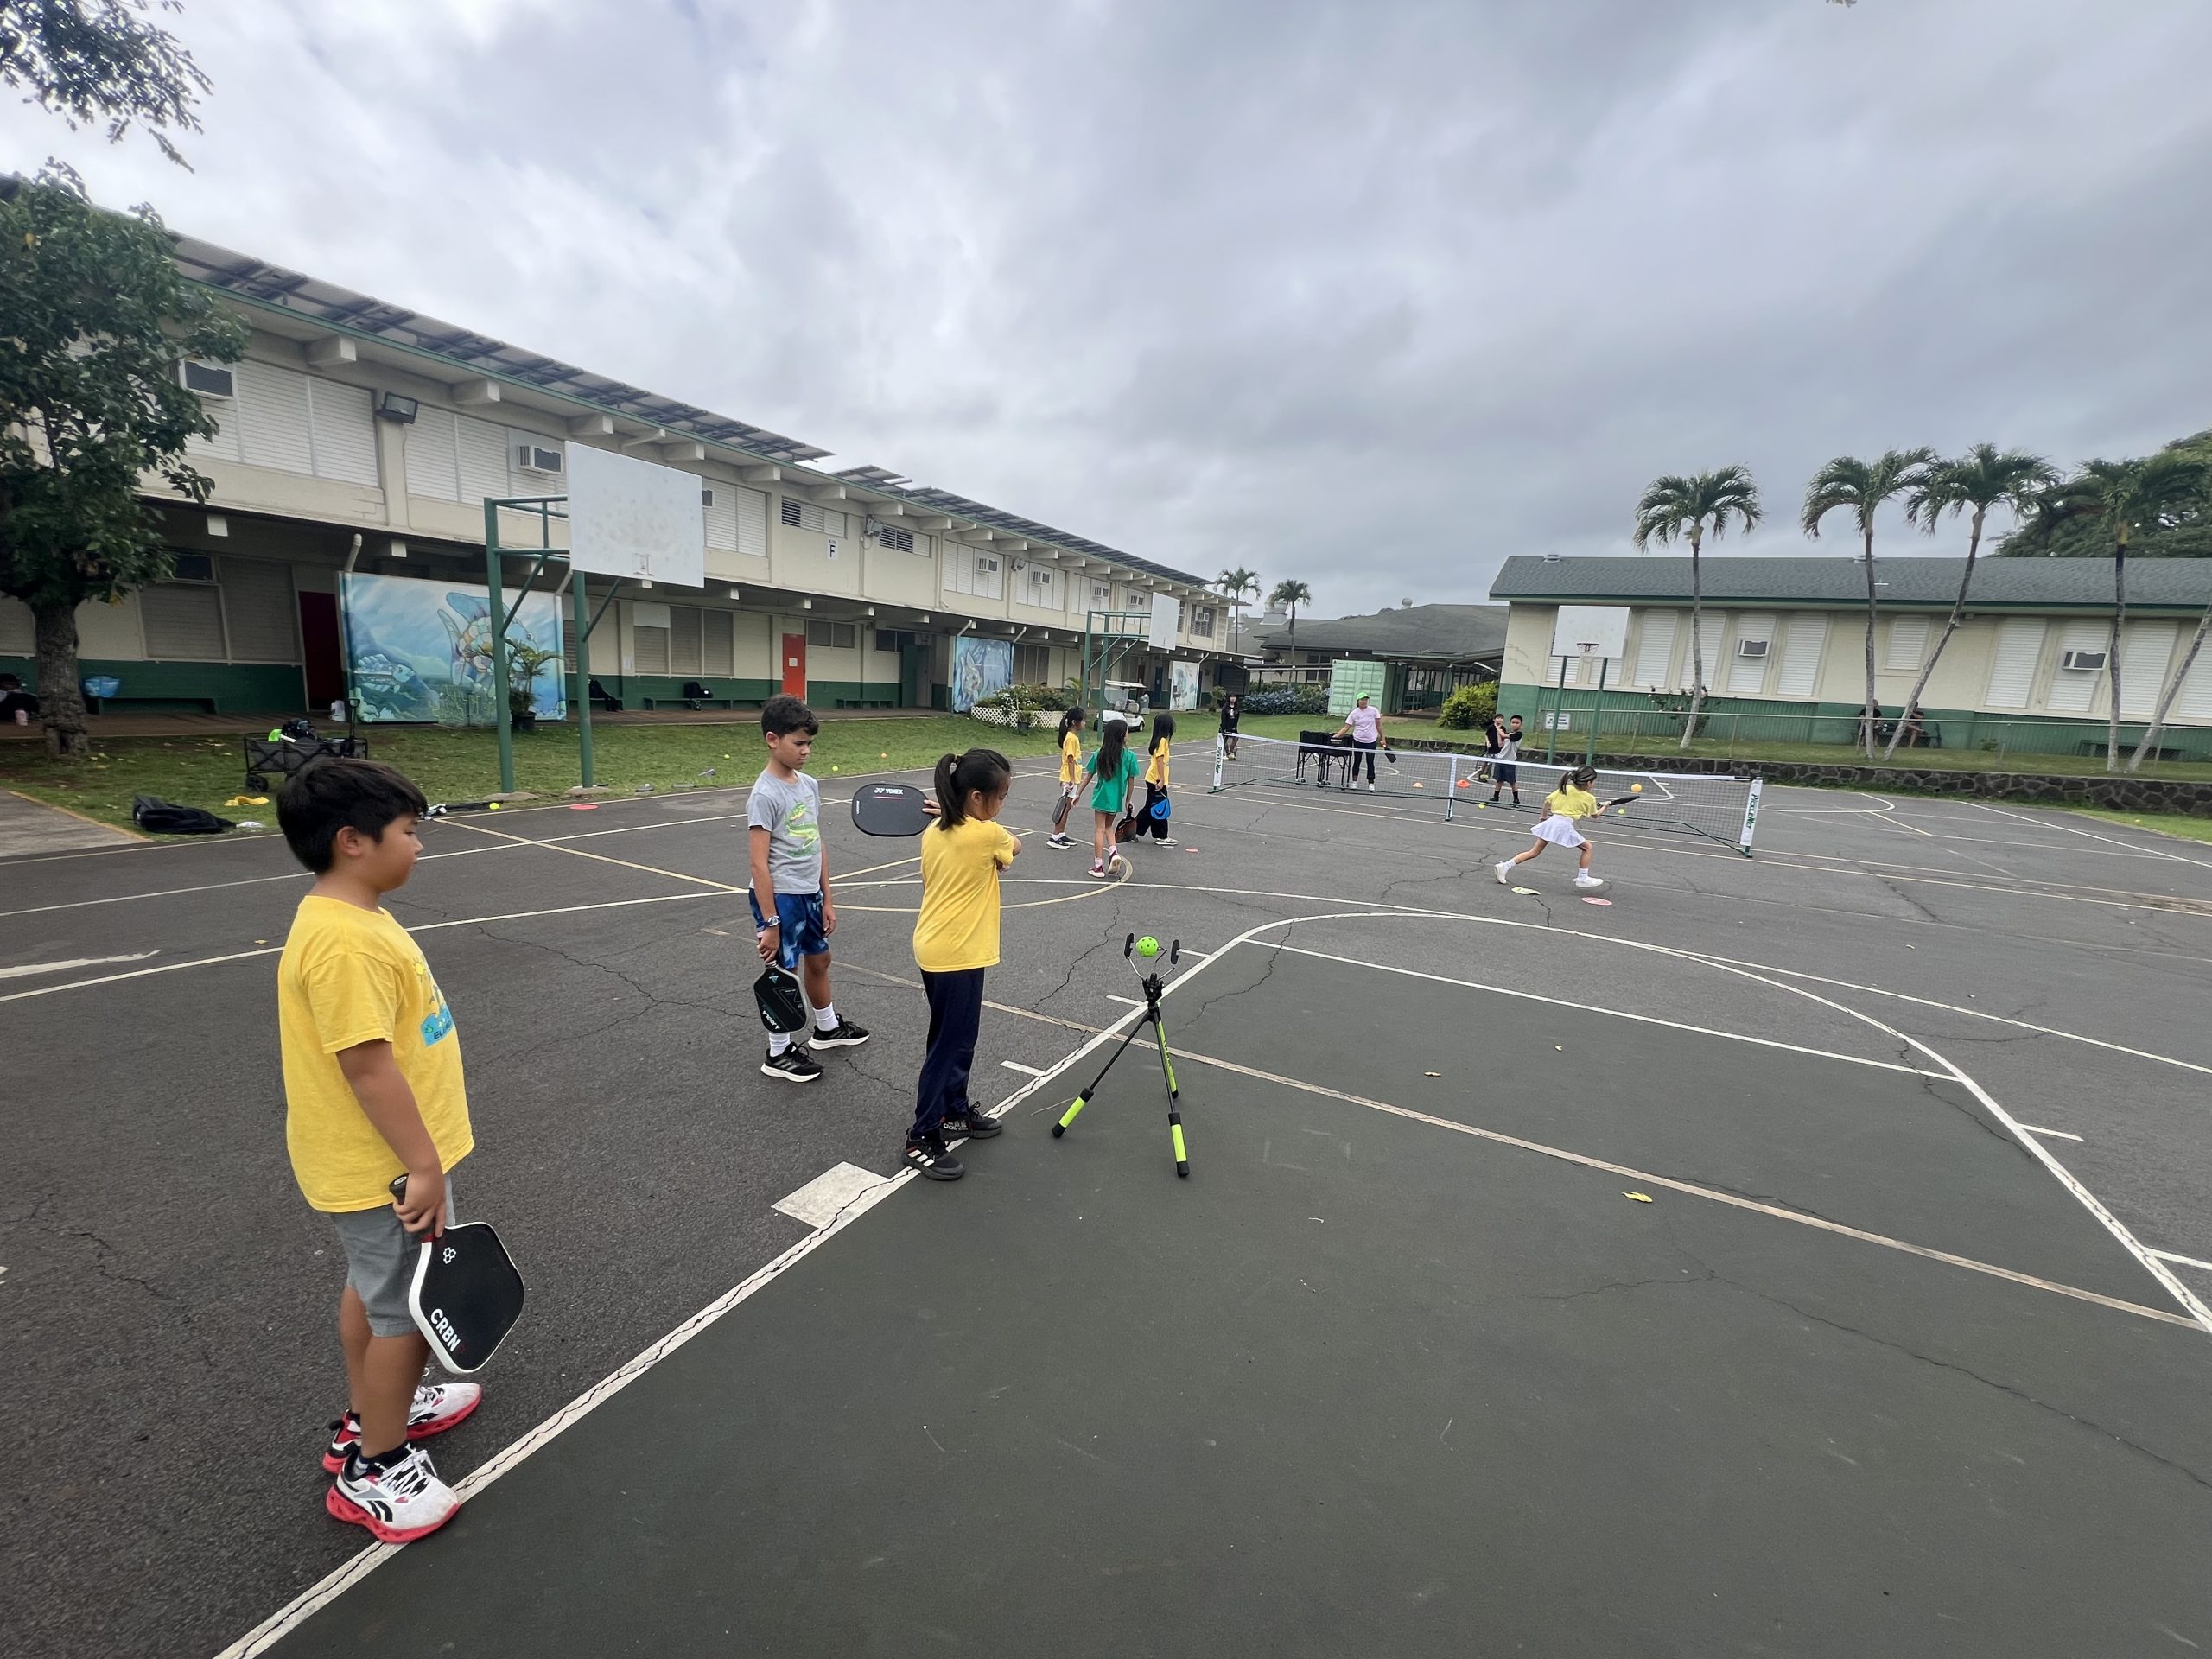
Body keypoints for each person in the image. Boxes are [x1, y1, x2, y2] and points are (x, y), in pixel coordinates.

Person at [275, 757, 480, 1544]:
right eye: (408, 832)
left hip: (383, 1162)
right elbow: (365, 1065)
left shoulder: (349, 915)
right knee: (406, 1311)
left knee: (376, 1287)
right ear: (353, 840)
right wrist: (422, 1166)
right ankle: (376, 1464)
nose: (419, 845)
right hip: (387, 1168)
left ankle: (371, 1413)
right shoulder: (344, 943)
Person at [906, 748, 1020, 1181]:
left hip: (936, 948)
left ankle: (954, 1111)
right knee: (948, 1044)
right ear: (976, 797)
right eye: (1001, 797)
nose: (1002, 805)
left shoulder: (935, 830)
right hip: (958, 954)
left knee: (958, 1037)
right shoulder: (986, 835)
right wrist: (988, 839)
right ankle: (922, 1134)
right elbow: (1016, 846)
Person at [748, 695, 869, 1084]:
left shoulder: (809, 785)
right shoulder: (764, 794)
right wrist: (770, 921)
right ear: (772, 739)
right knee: (784, 971)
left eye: (809, 744)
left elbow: (816, 844)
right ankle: (778, 1051)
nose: (806, 751)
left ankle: (826, 1028)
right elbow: (758, 863)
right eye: (798, 743)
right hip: (780, 896)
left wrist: (828, 897)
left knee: (820, 960)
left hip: (809, 893)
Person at [1495, 763, 1606, 891]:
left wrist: (1543, 817)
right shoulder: (1589, 798)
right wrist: (1605, 806)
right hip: (1562, 825)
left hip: (1552, 822)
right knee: (1588, 848)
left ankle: (1504, 866)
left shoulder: (1564, 788)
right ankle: (1582, 878)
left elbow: (1547, 802)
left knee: (1534, 852)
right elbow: (1595, 815)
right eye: (1593, 782)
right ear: (1588, 783)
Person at [1083, 711, 1145, 880]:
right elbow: (1131, 781)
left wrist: (1078, 793)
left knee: (1099, 829)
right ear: (1121, 735)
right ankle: (1113, 852)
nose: (1128, 735)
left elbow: (1088, 775)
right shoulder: (1130, 756)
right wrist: (1128, 800)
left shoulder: (1099, 754)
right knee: (1109, 827)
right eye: (1127, 732)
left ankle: (1098, 866)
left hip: (1101, 797)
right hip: (1116, 799)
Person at [1046, 704, 1086, 849]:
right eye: (1083, 721)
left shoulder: (1073, 738)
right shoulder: (1071, 738)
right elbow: (1070, 759)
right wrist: (1069, 780)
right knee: (1065, 806)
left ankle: (1061, 834)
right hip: (1070, 779)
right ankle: (1055, 836)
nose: (1084, 723)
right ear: (1075, 722)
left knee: (1068, 806)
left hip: (1073, 778)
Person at [1138, 713, 1177, 845]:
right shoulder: (1162, 741)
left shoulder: (1160, 740)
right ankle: (1161, 836)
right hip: (1156, 779)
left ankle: (1133, 830)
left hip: (1154, 779)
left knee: (1150, 807)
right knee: (1160, 807)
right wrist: (1161, 780)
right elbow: (1160, 761)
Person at [1334, 694, 1384, 790]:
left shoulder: (1374, 711)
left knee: (1370, 761)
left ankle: (1371, 783)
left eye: (1366, 699)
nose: (1364, 701)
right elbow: (1346, 727)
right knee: (1357, 761)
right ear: (1358, 701)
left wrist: (1383, 738)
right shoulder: (1354, 713)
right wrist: (1336, 736)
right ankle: (1354, 782)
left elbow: (1379, 725)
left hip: (1371, 740)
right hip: (1358, 739)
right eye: (1362, 699)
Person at [1489, 714, 1525, 806]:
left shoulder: (1519, 735)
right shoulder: (1508, 734)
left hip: (1510, 761)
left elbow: (1506, 737)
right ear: (1510, 724)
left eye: (1517, 723)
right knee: (1499, 780)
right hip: (1500, 759)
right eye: (1513, 723)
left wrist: (1498, 728)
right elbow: (1500, 744)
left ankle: (1516, 799)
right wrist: (1498, 733)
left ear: (1521, 725)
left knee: (1512, 781)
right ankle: (1496, 797)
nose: (1515, 724)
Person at [1217, 692, 1242, 760]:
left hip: (1233, 727)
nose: (1233, 699)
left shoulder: (1237, 708)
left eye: (1234, 697)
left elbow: (1237, 719)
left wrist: (1235, 727)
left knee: (1236, 738)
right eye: (1231, 697)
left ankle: (1231, 751)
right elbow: (1223, 718)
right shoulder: (1225, 707)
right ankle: (1226, 754)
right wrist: (1224, 728)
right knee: (1224, 740)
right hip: (1225, 727)